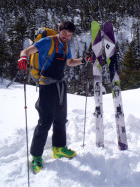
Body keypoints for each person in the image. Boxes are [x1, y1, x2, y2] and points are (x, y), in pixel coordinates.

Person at [18, 21, 88, 173]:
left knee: (61, 119)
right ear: (59, 30)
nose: (66, 37)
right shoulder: (47, 42)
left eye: (69, 35)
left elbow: (69, 62)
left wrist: (83, 60)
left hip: (60, 85)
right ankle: (36, 156)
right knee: (45, 121)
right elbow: (26, 51)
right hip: (47, 86)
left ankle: (59, 148)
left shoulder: (65, 46)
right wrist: (23, 58)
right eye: (64, 33)